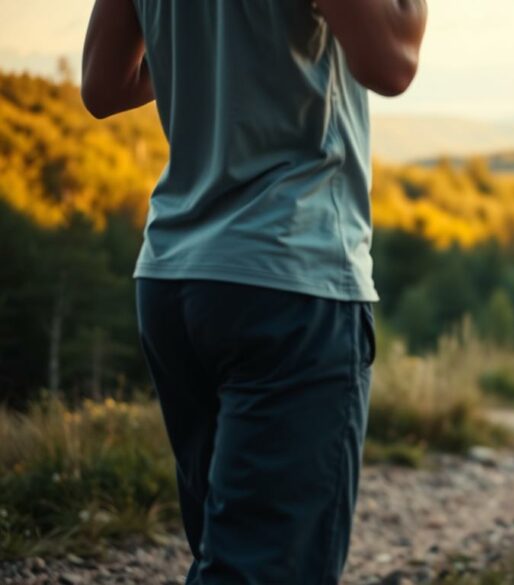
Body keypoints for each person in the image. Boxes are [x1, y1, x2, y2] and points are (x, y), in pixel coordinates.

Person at [80, 1, 427, 583]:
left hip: (175, 276)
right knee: (263, 567)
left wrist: (206, 58)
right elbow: (392, 61)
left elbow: (103, 86)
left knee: (226, 551)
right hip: (289, 275)